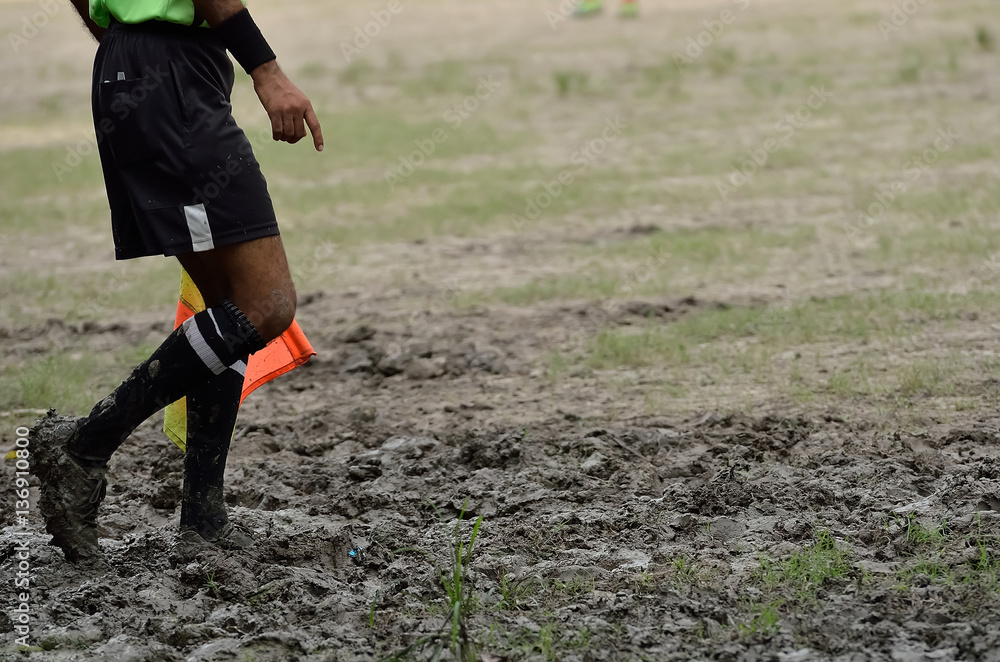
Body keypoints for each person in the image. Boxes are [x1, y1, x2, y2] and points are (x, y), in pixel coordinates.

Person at [30, 0, 324, 564]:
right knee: (266, 304)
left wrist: (127, 44)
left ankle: (203, 518)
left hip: (140, 67)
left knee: (227, 307)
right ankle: (86, 444)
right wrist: (267, 70)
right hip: (172, 79)